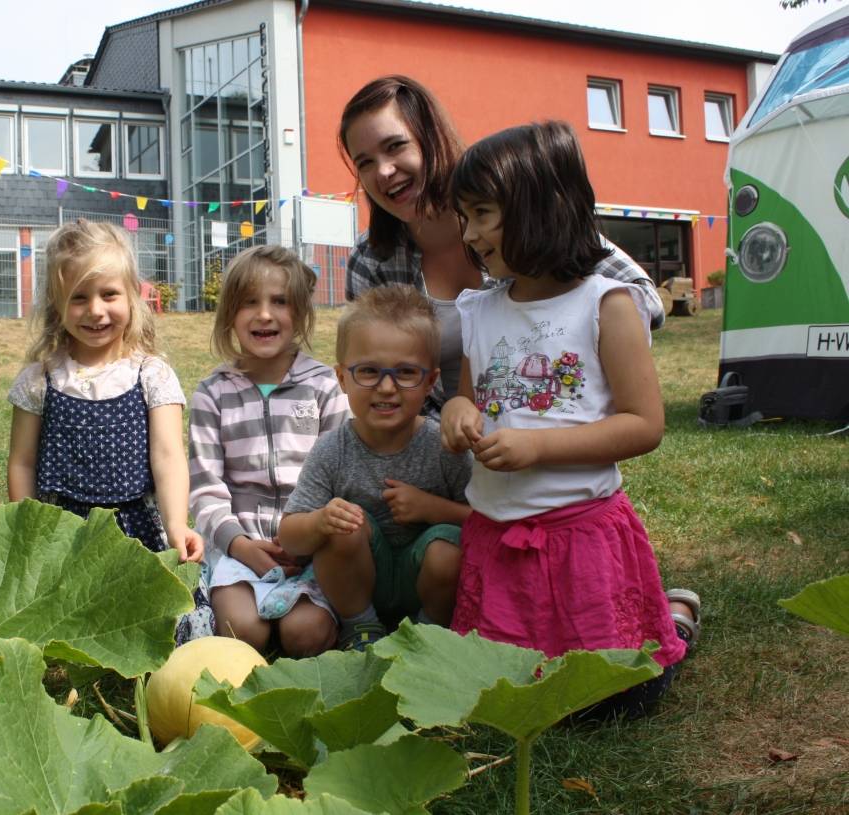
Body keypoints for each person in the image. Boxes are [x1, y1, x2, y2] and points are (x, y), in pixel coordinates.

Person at [440, 121, 699, 717]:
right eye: (464, 216)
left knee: (618, 698)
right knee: (502, 696)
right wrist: (457, 413)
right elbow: (467, 396)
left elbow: (644, 425)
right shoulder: (478, 311)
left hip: (582, 537)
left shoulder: (606, 304)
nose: (470, 233)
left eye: (483, 213)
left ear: (542, 206)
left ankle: (677, 622)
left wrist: (539, 448)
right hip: (496, 536)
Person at [339, 75, 665, 414]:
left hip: (543, 433)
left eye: (395, 146)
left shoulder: (512, 220)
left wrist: (555, 377)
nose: (385, 171)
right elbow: (366, 367)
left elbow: (645, 299)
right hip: (435, 444)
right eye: (365, 163)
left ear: (430, 138)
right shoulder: (370, 260)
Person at [7, 220, 209, 638]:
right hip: (64, 532)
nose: (96, 310)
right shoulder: (40, 380)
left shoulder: (151, 374)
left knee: (170, 622)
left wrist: (176, 524)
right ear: (56, 304)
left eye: (109, 294)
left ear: (133, 296)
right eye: (79, 298)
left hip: (138, 529)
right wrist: (26, 533)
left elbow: (169, 458)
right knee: (60, 625)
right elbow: (22, 463)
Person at [279, 286, 472, 651]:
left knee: (449, 549)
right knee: (342, 526)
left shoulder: (445, 448)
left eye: (405, 373)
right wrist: (320, 521)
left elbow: (486, 522)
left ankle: (428, 636)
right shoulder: (332, 449)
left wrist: (434, 510)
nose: (386, 388)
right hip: (359, 587)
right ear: (341, 378)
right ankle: (362, 629)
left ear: (430, 382)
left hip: (428, 584)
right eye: (368, 371)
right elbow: (289, 536)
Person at [189, 245, 348, 657]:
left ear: (299, 312)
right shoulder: (213, 393)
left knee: (306, 635)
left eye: (279, 301)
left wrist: (312, 536)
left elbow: (342, 473)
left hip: (312, 552)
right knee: (242, 631)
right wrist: (240, 546)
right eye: (249, 303)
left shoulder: (323, 387)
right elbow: (206, 487)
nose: (264, 314)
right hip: (239, 549)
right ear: (229, 315)